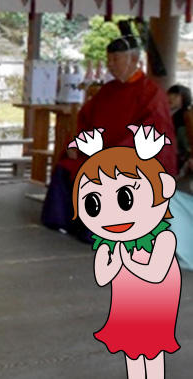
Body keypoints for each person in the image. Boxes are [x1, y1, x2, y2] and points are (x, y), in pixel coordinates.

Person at [41, 35, 177, 242]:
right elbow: (85, 121)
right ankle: (63, 221)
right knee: (67, 165)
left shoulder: (151, 94)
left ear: (133, 60)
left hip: (134, 158)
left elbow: (151, 132)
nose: (110, 65)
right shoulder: (108, 90)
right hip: (99, 152)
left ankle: (99, 229)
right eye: (109, 60)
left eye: (116, 59)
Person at [69, 125, 179, 379]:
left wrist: (125, 259)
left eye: (125, 199)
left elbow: (155, 273)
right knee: (132, 353)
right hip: (126, 304)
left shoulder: (162, 238)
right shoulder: (111, 243)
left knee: (151, 354)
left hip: (155, 307)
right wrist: (108, 257)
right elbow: (102, 277)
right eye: (94, 204)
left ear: (163, 189)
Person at [167, 84, 191, 174]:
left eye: (176, 95)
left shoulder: (185, 117)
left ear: (184, 98)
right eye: (169, 94)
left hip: (178, 163)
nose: (171, 98)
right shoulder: (164, 114)